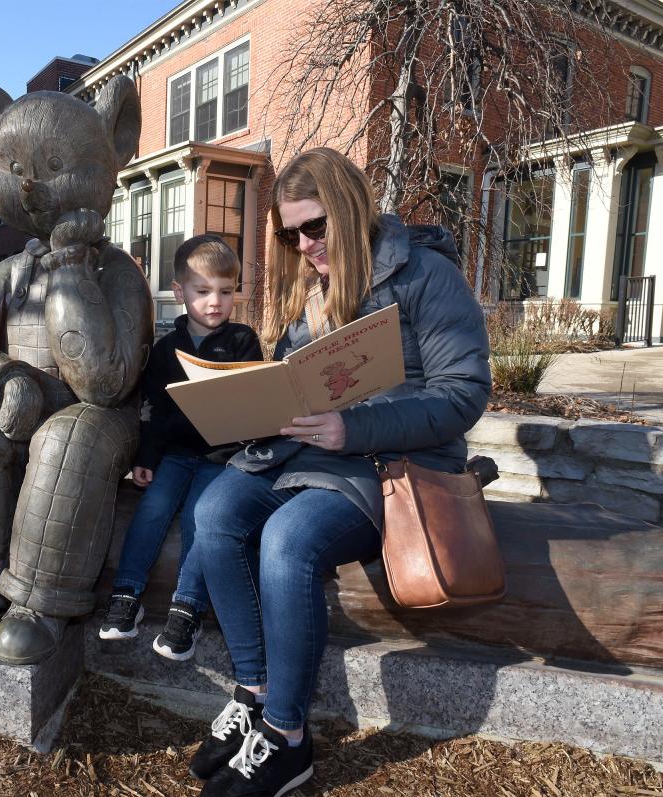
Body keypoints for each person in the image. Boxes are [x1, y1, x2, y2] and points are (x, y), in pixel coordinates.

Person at [188, 149, 491, 796]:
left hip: (390, 460)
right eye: (289, 234)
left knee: (289, 538)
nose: (304, 244)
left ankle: (287, 737)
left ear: (351, 211)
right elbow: (300, 385)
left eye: (315, 227)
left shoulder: (424, 276)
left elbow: (463, 393)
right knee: (213, 511)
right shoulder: (313, 293)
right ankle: (256, 687)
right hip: (312, 451)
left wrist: (352, 427)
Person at [99, 234, 263, 661]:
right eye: (203, 291)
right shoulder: (165, 349)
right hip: (173, 455)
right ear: (180, 292)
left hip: (220, 458)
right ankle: (125, 597)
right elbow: (151, 408)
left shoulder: (243, 342)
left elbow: (257, 403)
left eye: (226, 292)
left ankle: (186, 608)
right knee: (152, 510)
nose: (215, 302)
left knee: (198, 519)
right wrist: (144, 458)